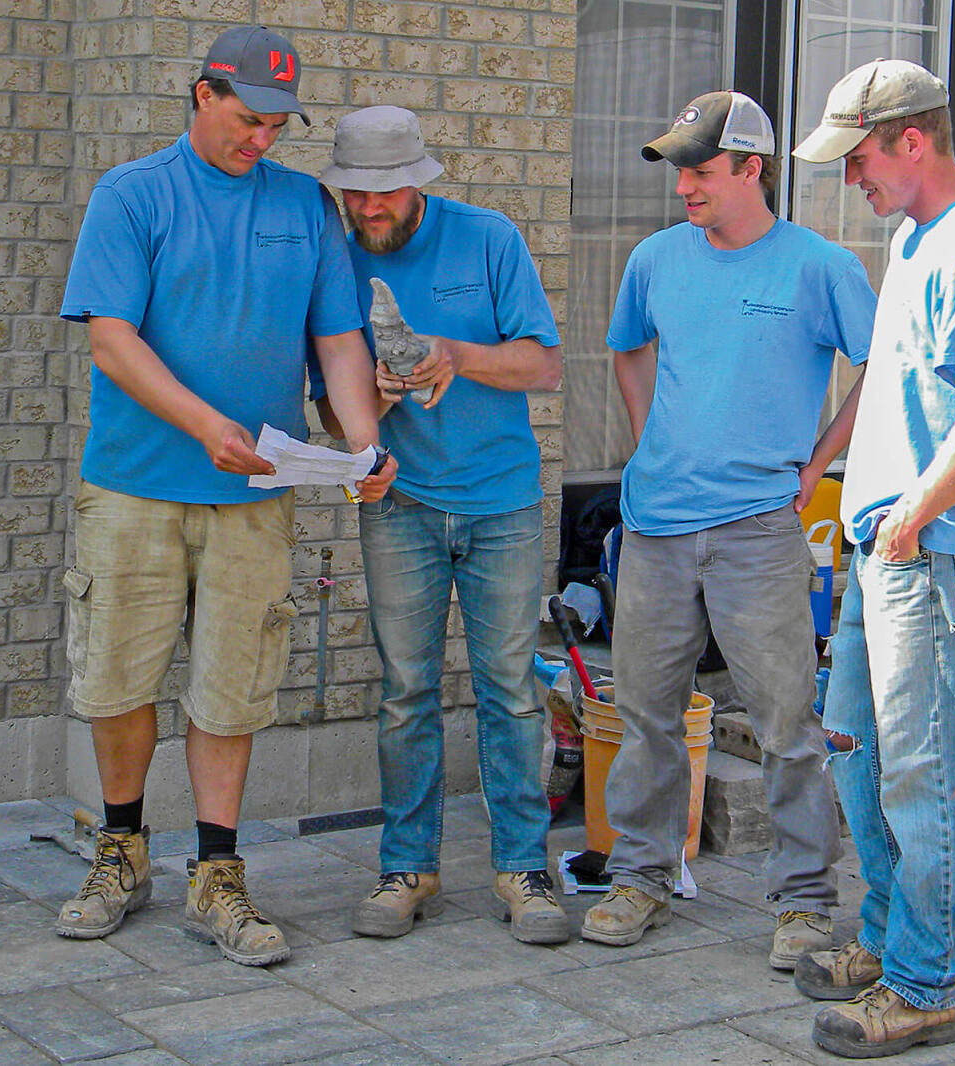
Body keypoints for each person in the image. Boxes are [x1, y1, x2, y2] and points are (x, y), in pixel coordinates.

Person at [55, 26, 394, 968]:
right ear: (202, 94)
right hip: (134, 487)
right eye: (249, 120)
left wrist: (362, 445)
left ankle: (217, 872)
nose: (263, 140)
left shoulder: (306, 207)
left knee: (231, 686)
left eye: (279, 124)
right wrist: (207, 427)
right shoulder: (132, 195)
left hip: (257, 497)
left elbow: (337, 342)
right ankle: (120, 850)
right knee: (119, 680)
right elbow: (112, 340)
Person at [580, 90, 874, 970]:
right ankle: (640, 875)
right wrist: (647, 441)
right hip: (657, 527)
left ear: (754, 168)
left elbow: (885, 364)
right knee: (645, 716)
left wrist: (818, 463)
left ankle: (804, 901)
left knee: (787, 721)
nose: (686, 190)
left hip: (757, 531)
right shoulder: (657, 259)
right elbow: (628, 346)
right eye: (680, 173)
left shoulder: (820, 268)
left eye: (702, 171)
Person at [789, 59, 955, 1057]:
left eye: (859, 159)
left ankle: (928, 979)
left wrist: (911, 520)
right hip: (885, 546)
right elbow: (891, 386)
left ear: (913, 142)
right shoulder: (914, 241)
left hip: (923, 551)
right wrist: (818, 469)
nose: (853, 179)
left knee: (927, 771)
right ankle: (893, 941)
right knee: (854, 747)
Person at [314, 106, 571, 944]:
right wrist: (362, 408)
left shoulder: (488, 239)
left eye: (386, 193)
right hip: (400, 504)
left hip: (500, 502)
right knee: (404, 693)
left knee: (510, 693)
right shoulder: (336, 255)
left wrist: (456, 355)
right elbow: (323, 399)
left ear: (417, 183)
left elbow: (544, 363)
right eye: (356, 194)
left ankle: (523, 870)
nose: (370, 209)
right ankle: (407, 868)